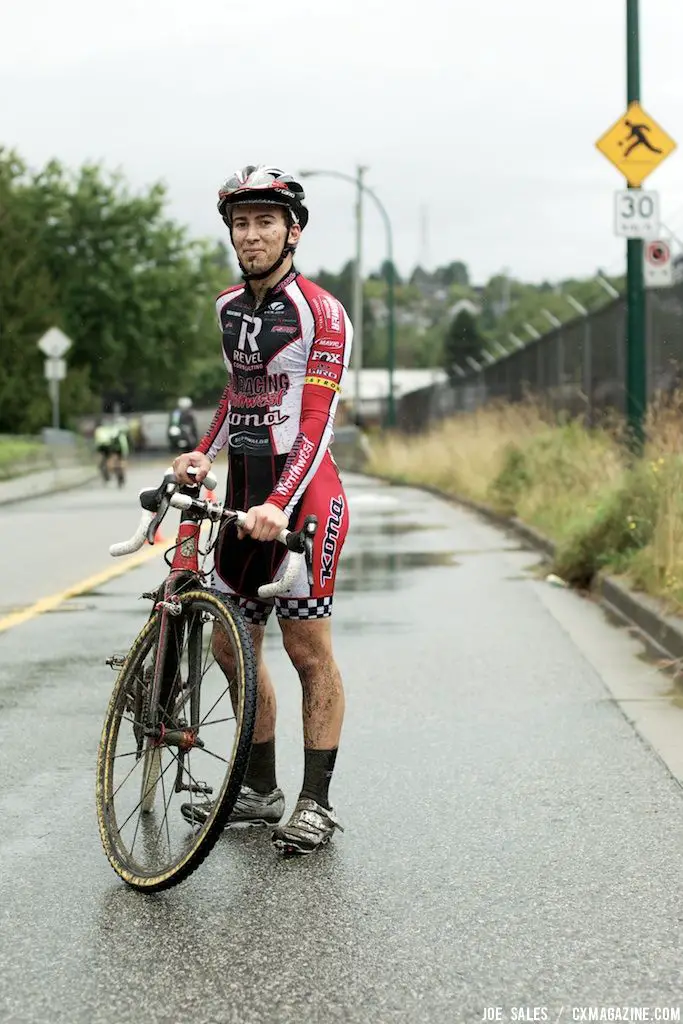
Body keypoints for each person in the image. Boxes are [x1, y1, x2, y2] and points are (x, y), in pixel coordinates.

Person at [173, 164, 353, 855]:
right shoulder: (227, 307)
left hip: (303, 497)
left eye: (264, 222)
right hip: (246, 492)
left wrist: (280, 503)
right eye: (241, 223)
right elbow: (237, 392)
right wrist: (200, 452)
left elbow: (316, 418)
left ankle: (315, 801)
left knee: (307, 650)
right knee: (228, 643)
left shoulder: (320, 311)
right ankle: (260, 789)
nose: (251, 235)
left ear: (292, 232)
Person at [94, 417, 129, 486]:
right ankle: (119, 476)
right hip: (116, 448)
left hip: (110, 448)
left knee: (112, 463)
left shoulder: (107, 430)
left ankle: (115, 476)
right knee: (117, 463)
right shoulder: (115, 429)